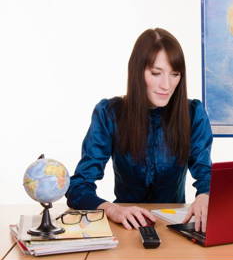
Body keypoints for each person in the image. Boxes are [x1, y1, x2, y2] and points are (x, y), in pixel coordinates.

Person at [66, 28, 213, 232]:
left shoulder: (193, 113)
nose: (167, 85)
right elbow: (78, 187)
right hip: (125, 226)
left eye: (175, 74)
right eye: (156, 73)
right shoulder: (109, 113)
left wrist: (205, 195)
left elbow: (206, 175)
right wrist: (112, 209)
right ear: (137, 71)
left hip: (174, 227)